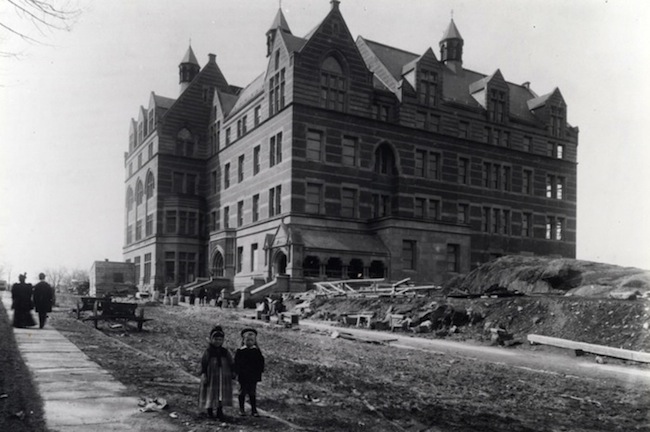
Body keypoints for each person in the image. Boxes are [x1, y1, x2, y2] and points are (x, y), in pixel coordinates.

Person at [199, 325, 234, 421]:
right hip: (211, 376)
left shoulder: (225, 352)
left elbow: (231, 362)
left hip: (222, 376)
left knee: (220, 393)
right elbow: (204, 363)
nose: (217, 341)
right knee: (210, 392)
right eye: (215, 339)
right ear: (211, 339)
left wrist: (233, 372)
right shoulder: (208, 351)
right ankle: (209, 411)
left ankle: (219, 411)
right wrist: (204, 374)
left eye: (220, 339)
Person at [234, 328, 265, 417]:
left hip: (252, 376)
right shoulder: (240, 351)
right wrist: (236, 372)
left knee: (252, 392)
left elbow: (260, 363)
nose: (249, 342)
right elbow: (236, 363)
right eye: (247, 340)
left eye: (251, 340)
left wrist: (259, 372)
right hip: (243, 375)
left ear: (255, 341)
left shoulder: (256, 351)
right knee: (242, 392)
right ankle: (241, 409)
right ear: (243, 341)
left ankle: (254, 409)